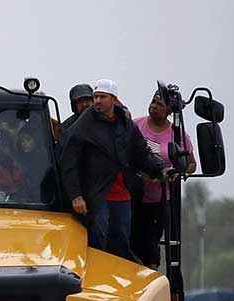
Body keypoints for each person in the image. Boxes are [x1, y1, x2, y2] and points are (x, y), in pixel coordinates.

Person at [60, 79, 169, 260]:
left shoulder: (126, 125)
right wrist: (75, 196)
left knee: (121, 243)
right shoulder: (82, 126)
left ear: (113, 99)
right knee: (98, 243)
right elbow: (68, 162)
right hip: (96, 196)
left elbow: (141, 154)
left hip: (123, 195)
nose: (97, 101)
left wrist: (162, 168)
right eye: (96, 97)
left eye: (102, 97)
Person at [131, 87, 197, 269]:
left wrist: (174, 172)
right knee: (130, 242)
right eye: (153, 102)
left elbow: (191, 164)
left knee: (152, 244)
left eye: (160, 104)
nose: (154, 107)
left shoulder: (177, 135)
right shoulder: (135, 126)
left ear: (169, 110)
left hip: (161, 200)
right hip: (133, 196)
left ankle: (151, 278)